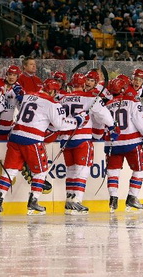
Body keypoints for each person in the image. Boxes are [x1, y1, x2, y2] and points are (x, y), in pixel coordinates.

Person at [0, 78, 88, 216]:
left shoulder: (28, 96)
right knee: (41, 172)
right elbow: (59, 125)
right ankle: (33, 202)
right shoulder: (52, 103)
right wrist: (78, 120)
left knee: (10, 171)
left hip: (15, 136)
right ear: (53, 90)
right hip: (32, 139)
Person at [58, 73, 115, 214]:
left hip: (66, 139)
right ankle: (77, 200)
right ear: (84, 84)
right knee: (82, 170)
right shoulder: (90, 97)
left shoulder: (63, 99)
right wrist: (112, 125)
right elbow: (105, 116)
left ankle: (69, 201)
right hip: (81, 138)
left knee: (71, 170)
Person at [97, 77, 143, 213]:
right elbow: (139, 121)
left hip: (112, 143)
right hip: (131, 142)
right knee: (140, 169)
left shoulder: (106, 104)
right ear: (123, 88)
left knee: (113, 171)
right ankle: (132, 197)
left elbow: (100, 125)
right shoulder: (133, 101)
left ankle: (113, 199)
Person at [0, 65, 24, 140]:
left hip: (6, 122)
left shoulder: (19, 89)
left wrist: (21, 99)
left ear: (17, 77)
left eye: (14, 75)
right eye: (10, 74)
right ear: (6, 75)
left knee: (1, 142)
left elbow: (21, 109)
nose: (11, 77)